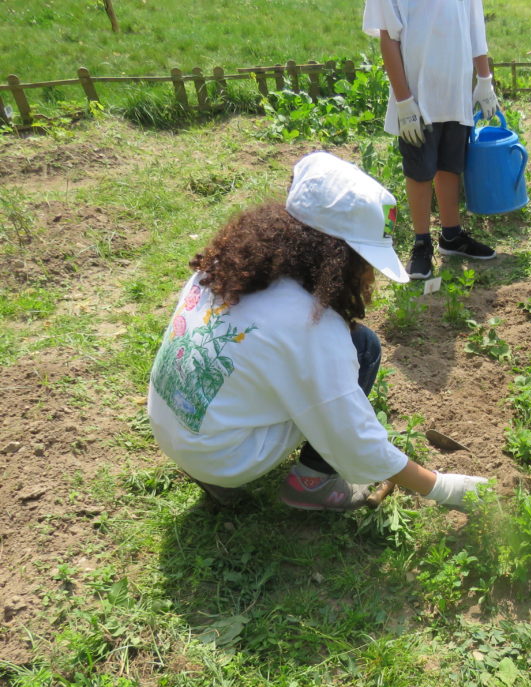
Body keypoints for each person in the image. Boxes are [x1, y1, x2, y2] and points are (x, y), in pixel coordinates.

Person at [147, 151, 488, 512]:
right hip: (224, 456)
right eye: (363, 261)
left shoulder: (228, 264)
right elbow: (352, 439)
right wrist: (444, 488)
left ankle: (210, 467)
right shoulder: (310, 327)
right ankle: (311, 484)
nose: (368, 276)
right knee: (363, 348)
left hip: (173, 427)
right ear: (336, 256)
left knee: (345, 348)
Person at [364, 0, 498, 281]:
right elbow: (388, 38)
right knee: (420, 169)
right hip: (417, 94)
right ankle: (421, 243)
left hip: (455, 89)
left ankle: (451, 236)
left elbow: (475, 26)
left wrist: (484, 79)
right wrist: (403, 101)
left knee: (451, 164)